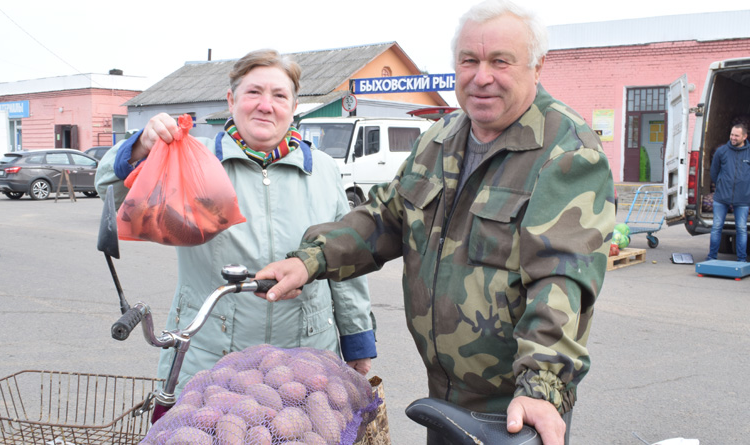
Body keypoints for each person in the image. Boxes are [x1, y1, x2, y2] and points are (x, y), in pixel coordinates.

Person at [256, 1, 615, 444]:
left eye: (500, 61)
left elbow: (561, 279)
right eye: (469, 60)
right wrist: (310, 260)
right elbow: (386, 218)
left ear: (536, 66)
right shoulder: (441, 139)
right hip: (444, 396)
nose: (481, 76)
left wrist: (542, 388)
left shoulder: (567, 152)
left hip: (515, 409)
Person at [95, 49, 376, 394]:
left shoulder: (323, 170)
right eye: (254, 92)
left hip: (306, 360)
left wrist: (358, 340)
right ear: (231, 99)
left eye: (279, 95)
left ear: (293, 106)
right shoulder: (191, 161)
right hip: (212, 357)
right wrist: (141, 146)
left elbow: (344, 259)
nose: (265, 105)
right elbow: (108, 189)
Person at [706, 123, 750, 262]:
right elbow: (714, 172)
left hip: (743, 198)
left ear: (744, 136)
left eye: (736, 135)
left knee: (742, 229)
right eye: (732, 134)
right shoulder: (721, 151)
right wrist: (720, 184)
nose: (733, 137)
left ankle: (741, 260)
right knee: (717, 227)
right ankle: (712, 257)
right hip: (721, 197)